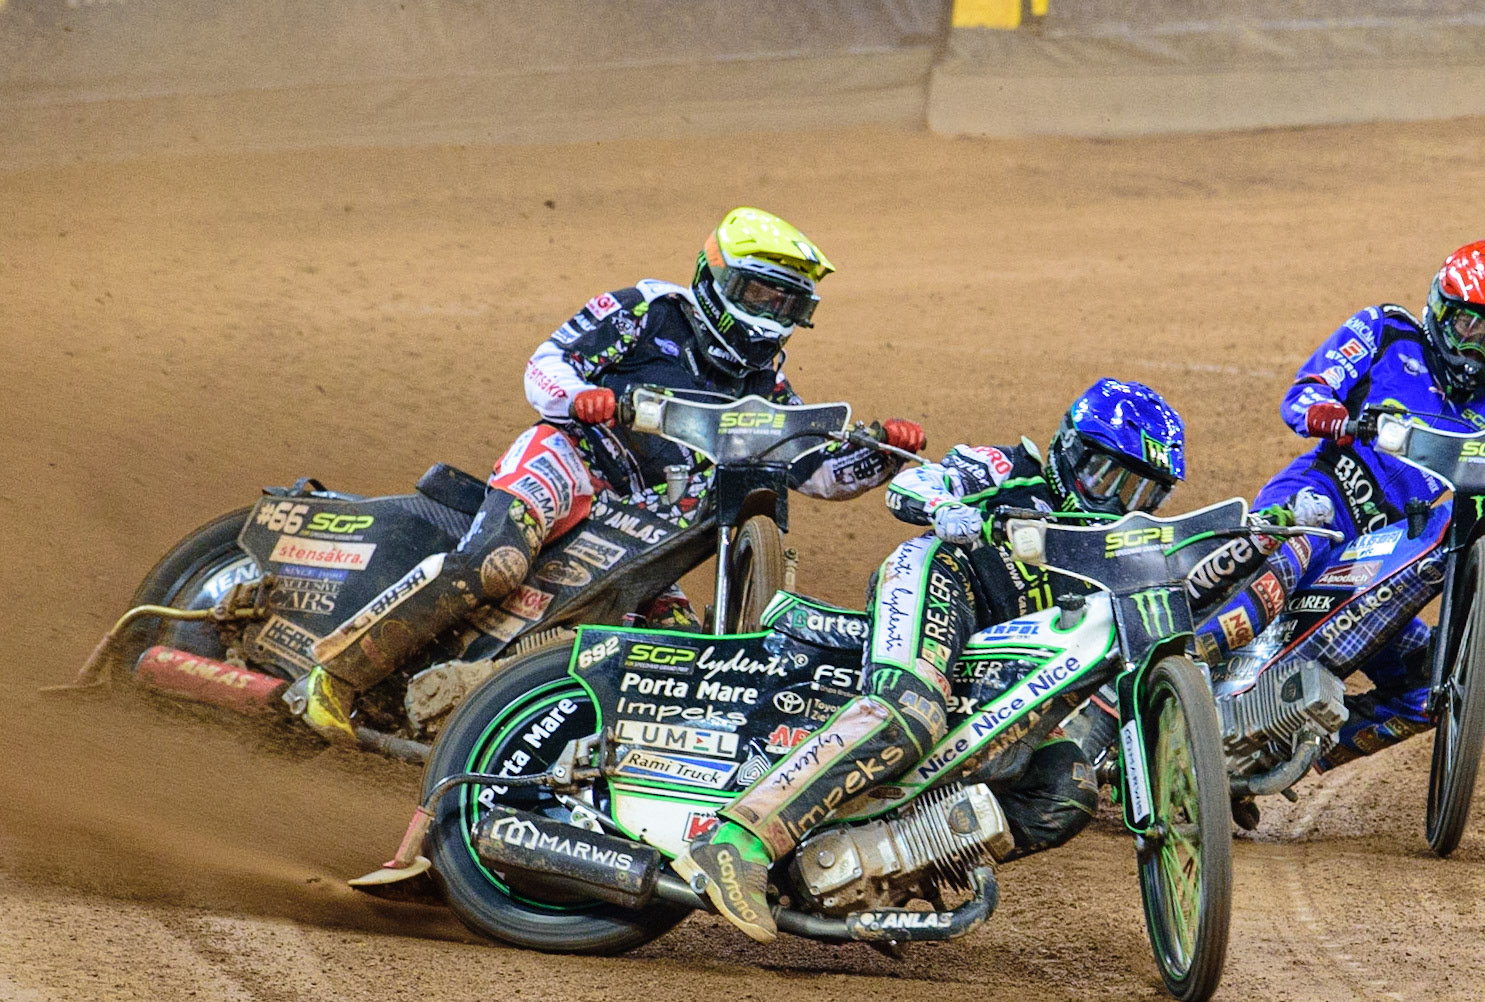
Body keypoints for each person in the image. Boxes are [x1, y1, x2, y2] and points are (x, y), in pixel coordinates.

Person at [294, 207, 925, 744]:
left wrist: (882, 454)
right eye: (761, 294)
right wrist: (579, 399)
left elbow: (815, 472)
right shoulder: (647, 311)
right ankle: (332, 676)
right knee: (497, 565)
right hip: (571, 464)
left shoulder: (768, 387)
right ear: (719, 278)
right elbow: (547, 364)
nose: (772, 313)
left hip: (649, 529)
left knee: (674, 652)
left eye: (789, 302)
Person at [673, 378, 1191, 942]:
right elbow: (916, 481)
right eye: (1107, 477)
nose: (1118, 503)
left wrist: (1281, 529)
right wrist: (945, 508)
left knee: (1064, 785)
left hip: (996, 657)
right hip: (943, 578)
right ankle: (736, 843)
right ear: (1070, 449)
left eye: (1142, 494)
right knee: (910, 712)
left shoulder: (1116, 555)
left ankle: (869, 873)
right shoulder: (1011, 466)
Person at [1195, 240, 1485, 777]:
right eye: (1469, 327)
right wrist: (1326, 413)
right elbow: (1304, 392)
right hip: (1319, 501)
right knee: (1284, 557)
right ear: (1440, 310)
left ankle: (1275, 749)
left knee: (1439, 680)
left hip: (1383, 555)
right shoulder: (1385, 332)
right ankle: (1162, 685)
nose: (1478, 350)